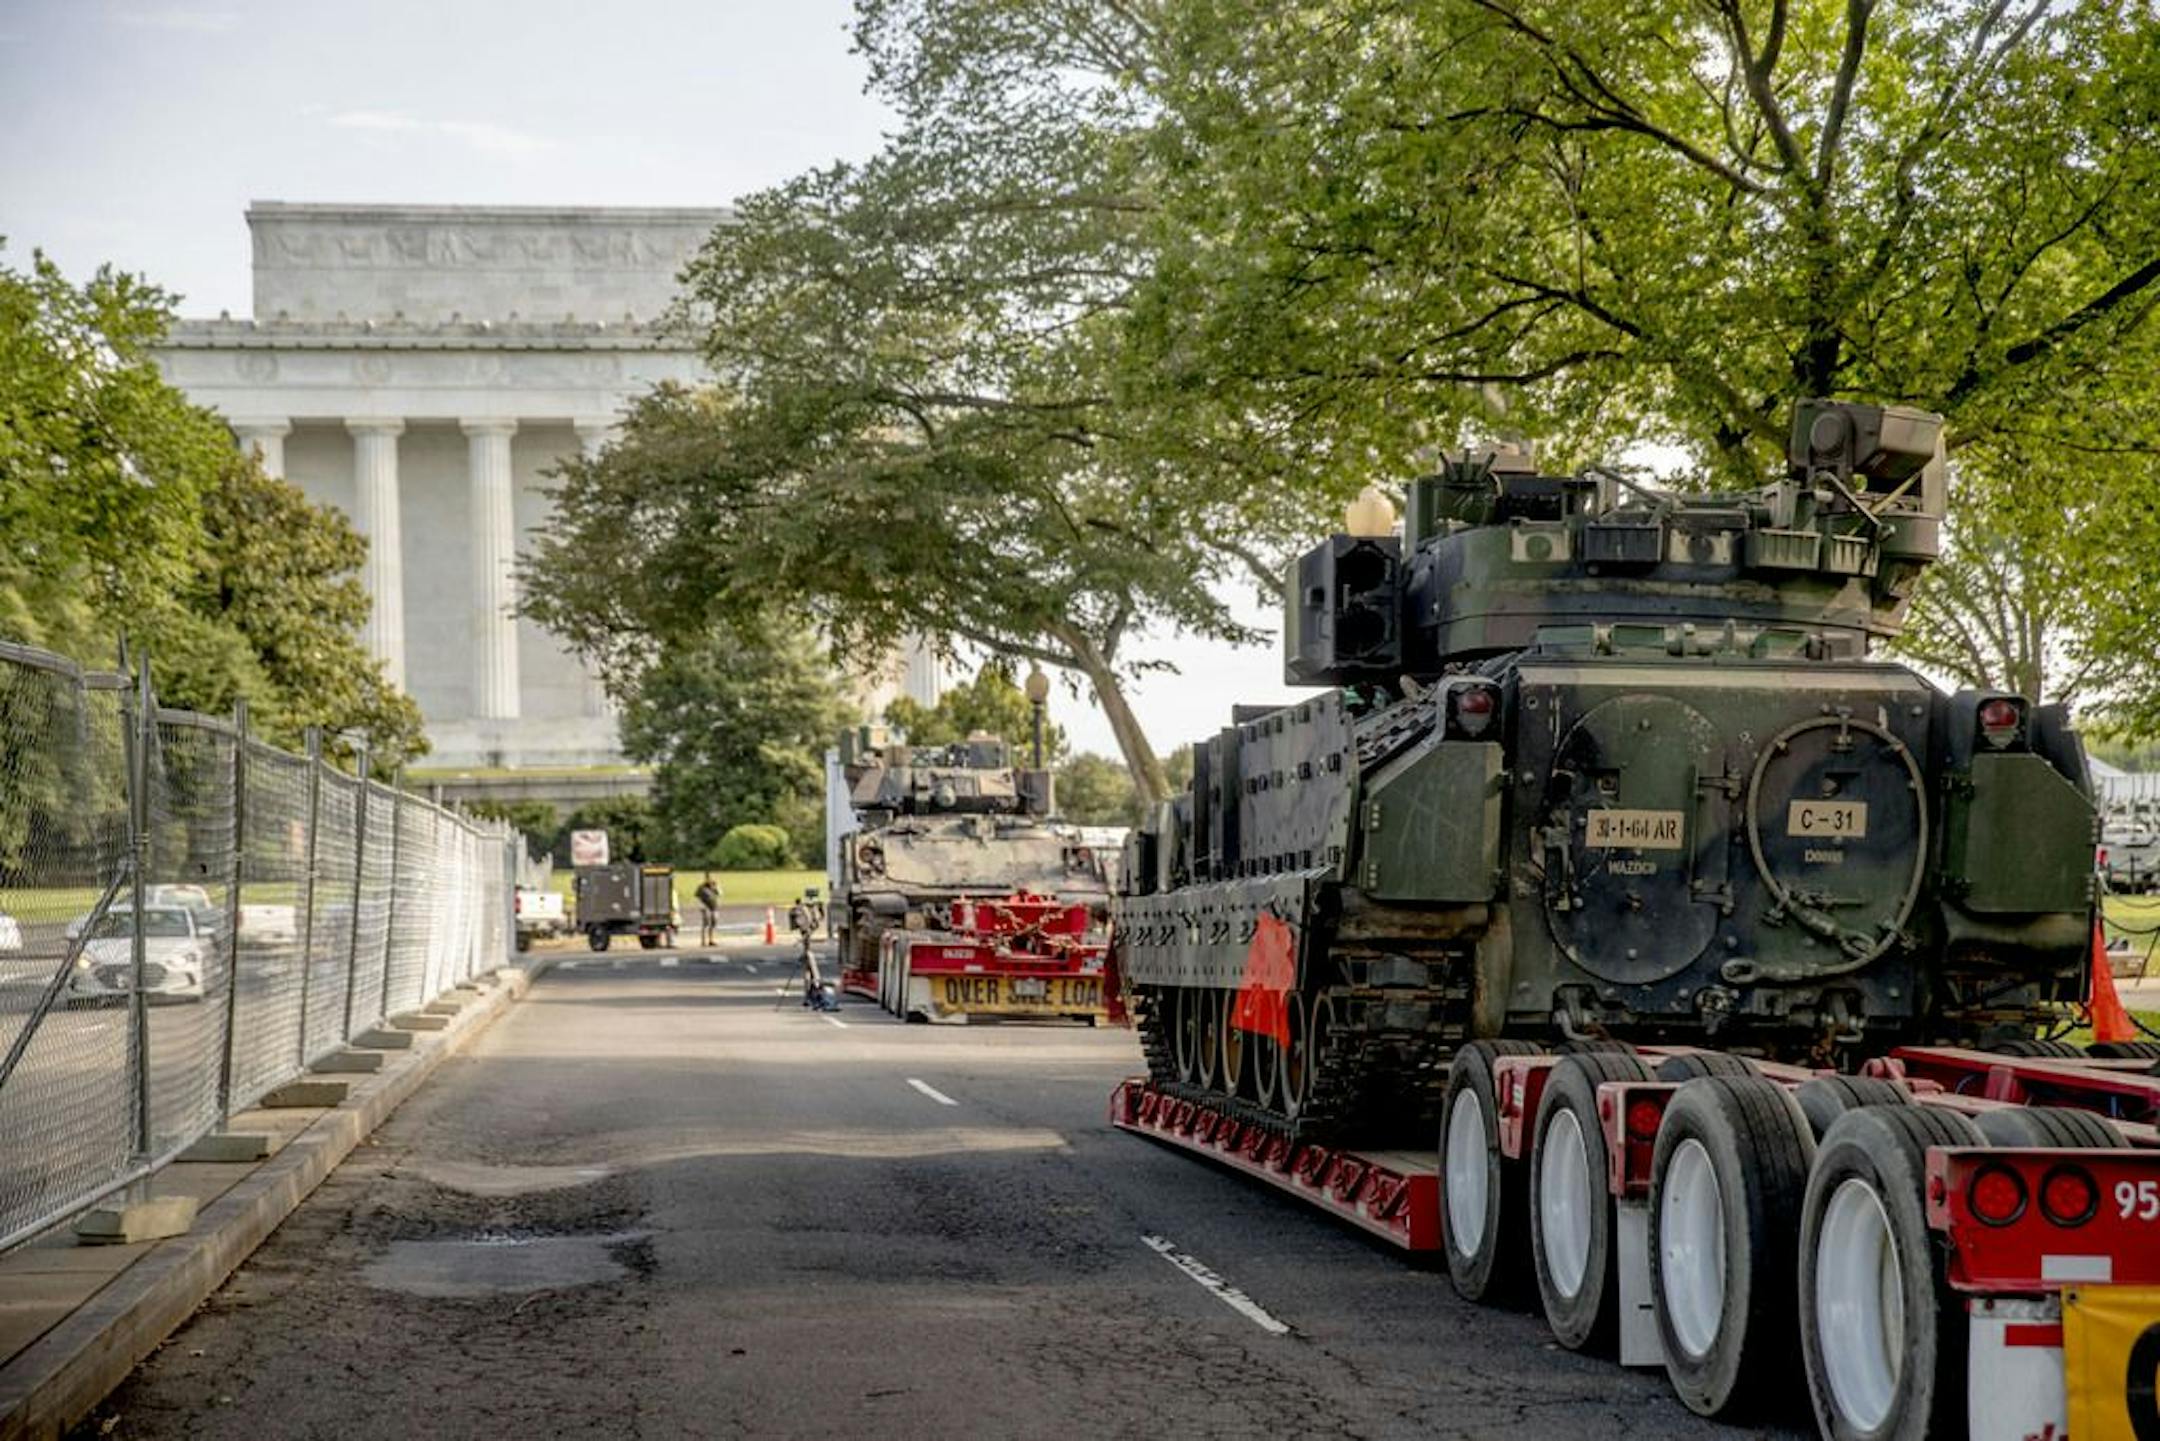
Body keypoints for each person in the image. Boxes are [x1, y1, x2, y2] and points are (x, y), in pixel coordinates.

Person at [694, 872, 721, 948]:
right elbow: (697, 897)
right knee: (706, 924)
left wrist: (715, 887)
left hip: (714, 907)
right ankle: (703, 941)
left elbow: (720, 894)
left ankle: (711, 940)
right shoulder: (701, 887)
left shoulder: (715, 886)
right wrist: (701, 906)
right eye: (709, 878)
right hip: (706, 907)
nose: (710, 879)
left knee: (713, 923)